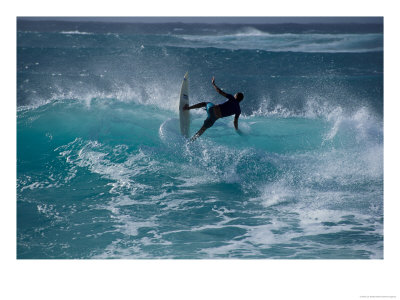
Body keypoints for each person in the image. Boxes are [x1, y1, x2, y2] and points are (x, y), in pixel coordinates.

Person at [183, 76, 244, 141]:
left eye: (235, 94)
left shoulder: (232, 98)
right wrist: (237, 130)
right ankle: (192, 140)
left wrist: (213, 84)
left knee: (205, 104)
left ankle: (187, 108)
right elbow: (235, 122)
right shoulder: (238, 110)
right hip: (213, 119)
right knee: (202, 129)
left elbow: (220, 91)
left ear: (236, 96)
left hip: (211, 109)